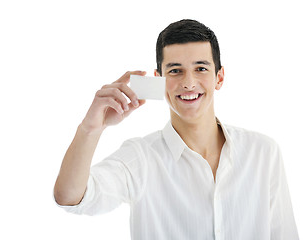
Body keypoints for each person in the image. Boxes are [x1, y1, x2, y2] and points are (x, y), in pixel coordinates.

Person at [53, 19, 299, 239]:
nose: (189, 83)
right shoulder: (141, 158)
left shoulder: (263, 152)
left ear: (219, 78)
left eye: (201, 68)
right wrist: (91, 128)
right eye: (175, 71)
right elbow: (71, 197)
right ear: (159, 79)